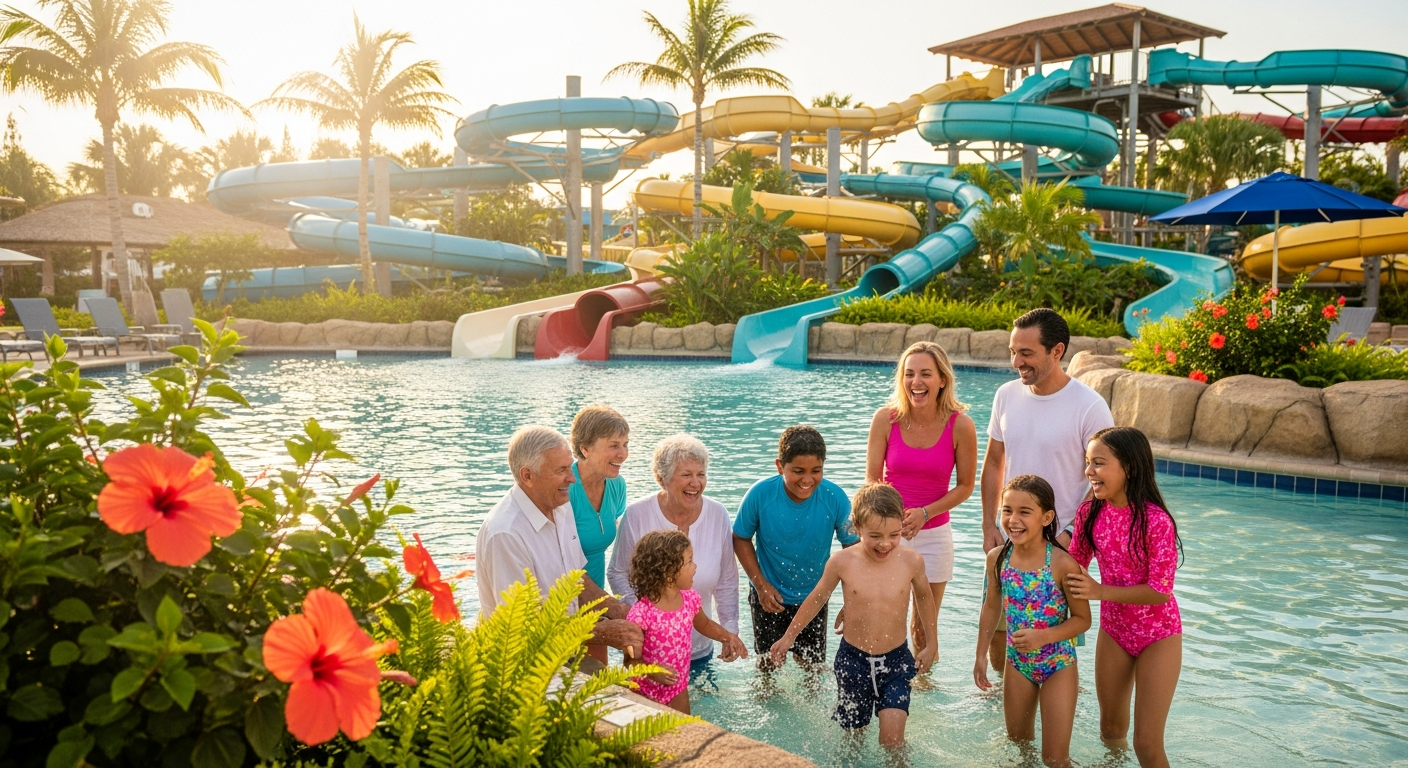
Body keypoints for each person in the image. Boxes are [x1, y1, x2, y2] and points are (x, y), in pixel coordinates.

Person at [980, 308, 1113, 672]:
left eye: (1026, 353)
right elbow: (994, 462)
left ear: (1057, 351)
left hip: (1062, 546)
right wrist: (989, 524)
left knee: (1053, 642)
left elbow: (1104, 480)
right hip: (1012, 537)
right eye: (1013, 351)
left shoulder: (1089, 407)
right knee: (999, 636)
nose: (1015, 362)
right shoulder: (1006, 396)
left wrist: (1072, 533)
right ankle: (1004, 714)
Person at [769, 483, 936, 751]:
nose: (885, 544)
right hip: (853, 661)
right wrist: (789, 637)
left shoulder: (911, 561)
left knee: (893, 741)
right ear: (856, 528)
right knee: (853, 738)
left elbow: (925, 599)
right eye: (875, 535)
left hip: (895, 661)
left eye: (894, 535)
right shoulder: (842, 562)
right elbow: (817, 598)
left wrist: (931, 644)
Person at [1066, 427, 1183, 768]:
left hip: (1158, 636)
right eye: (1088, 463)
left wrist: (1099, 591)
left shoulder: (1156, 522)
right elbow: (1074, 566)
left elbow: (1160, 591)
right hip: (1115, 632)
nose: (1090, 472)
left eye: (1099, 463)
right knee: (1110, 730)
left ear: (1129, 467)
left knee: (1146, 744)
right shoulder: (1090, 514)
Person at [474, 425, 641, 654]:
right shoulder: (505, 534)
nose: (572, 478)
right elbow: (520, 627)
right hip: (523, 663)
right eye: (562, 470)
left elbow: (574, 578)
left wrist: (618, 608)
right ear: (528, 476)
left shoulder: (560, 506)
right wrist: (604, 632)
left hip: (566, 651)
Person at [865, 341, 977, 659]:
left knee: (923, 626)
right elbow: (872, 479)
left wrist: (925, 513)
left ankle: (921, 687)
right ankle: (885, 677)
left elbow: (966, 486)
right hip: (889, 533)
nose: (916, 382)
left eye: (926, 374)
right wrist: (893, 518)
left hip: (935, 536)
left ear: (942, 379)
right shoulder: (885, 420)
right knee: (885, 613)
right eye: (909, 374)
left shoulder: (961, 425)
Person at [974, 475, 1091, 768]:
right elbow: (991, 608)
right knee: (1019, 749)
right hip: (1018, 664)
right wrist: (980, 655)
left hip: (1058, 665)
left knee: (1054, 759)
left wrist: (1043, 637)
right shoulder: (997, 558)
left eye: (1024, 512)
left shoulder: (1063, 563)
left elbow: (1083, 620)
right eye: (1007, 510)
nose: (1013, 519)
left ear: (1047, 517)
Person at [609, 434, 741, 676]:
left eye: (701, 474)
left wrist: (729, 633)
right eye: (686, 475)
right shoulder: (637, 514)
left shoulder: (718, 513)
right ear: (662, 479)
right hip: (650, 651)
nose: (696, 483)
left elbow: (727, 581)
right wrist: (650, 616)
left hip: (701, 649)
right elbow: (617, 572)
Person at [733, 425, 857, 670]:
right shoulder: (760, 494)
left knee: (812, 667)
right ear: (780, 466)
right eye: (798, 471)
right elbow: (740, 538)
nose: (807, 480)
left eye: (816, 471)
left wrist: (852, 599)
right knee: (767, 665)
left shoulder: (835, 498)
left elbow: (853, 549)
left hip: (814, 597)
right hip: (768, 596)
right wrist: (761, 585)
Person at [625, 529, 748, 713]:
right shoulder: (640, 614)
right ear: (668, 573)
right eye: (689, 561)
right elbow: (629, 663)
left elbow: (705, 624)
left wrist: (727, 637)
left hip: (677, 689)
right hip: (644, 693)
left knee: (683, 735)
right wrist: (652, 670)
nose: (695, 566)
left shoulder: (690, 600)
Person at [568, 405, 629, 664]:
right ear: (585, 448)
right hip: (562, 602)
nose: (623, 454)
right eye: (614, 445)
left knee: (596, 682)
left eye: (626, 444)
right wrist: (612, 606)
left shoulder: (616, 484)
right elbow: (562, 564)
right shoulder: (563, 488)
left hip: (594, 603)